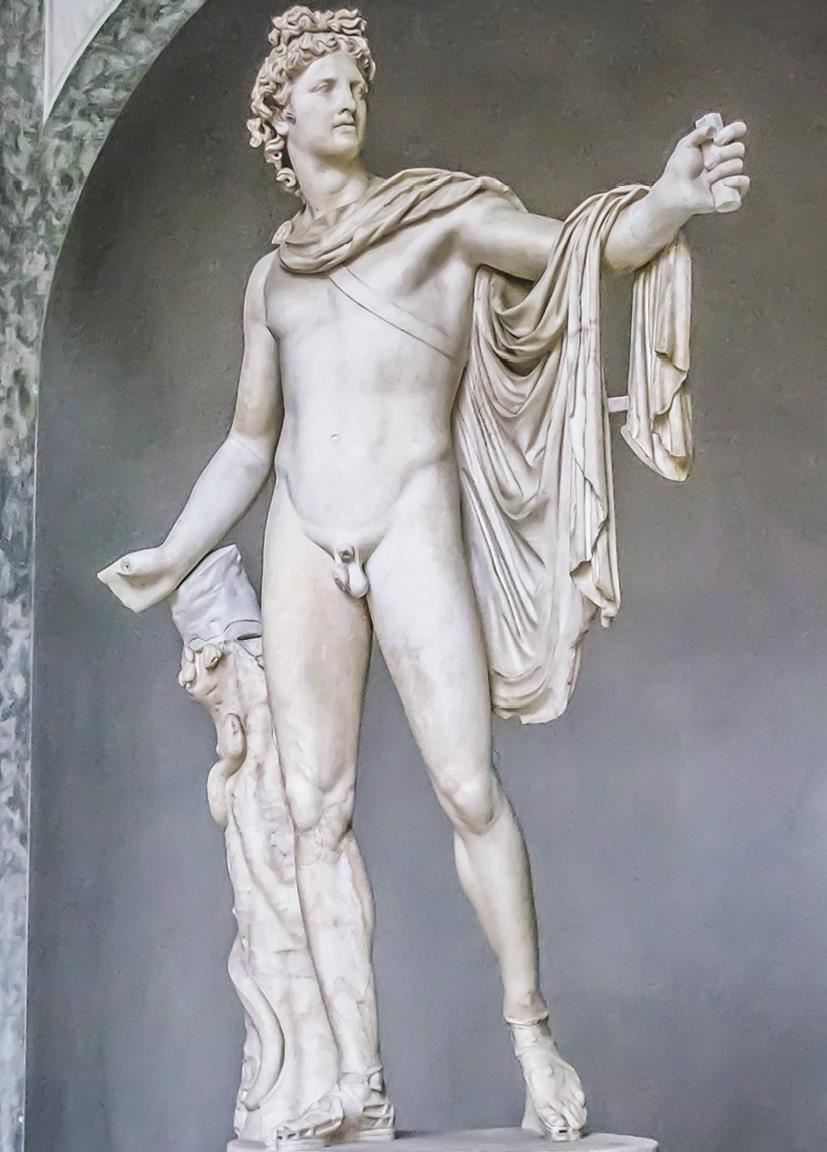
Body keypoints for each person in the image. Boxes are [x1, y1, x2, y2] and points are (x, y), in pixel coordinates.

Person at [98, 6, 749, 1146]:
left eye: (355, 81)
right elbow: (249, 442)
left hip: (409, 518)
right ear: (278, 115)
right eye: (322, 83)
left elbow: (580, 251)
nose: (347, 96)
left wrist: (667, 202)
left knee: (466, 788)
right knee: (312, 811)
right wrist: (178, 546)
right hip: (302, 530)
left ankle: (531, 1040)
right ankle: (355, 1084)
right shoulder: (272, 281)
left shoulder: (441, 219)